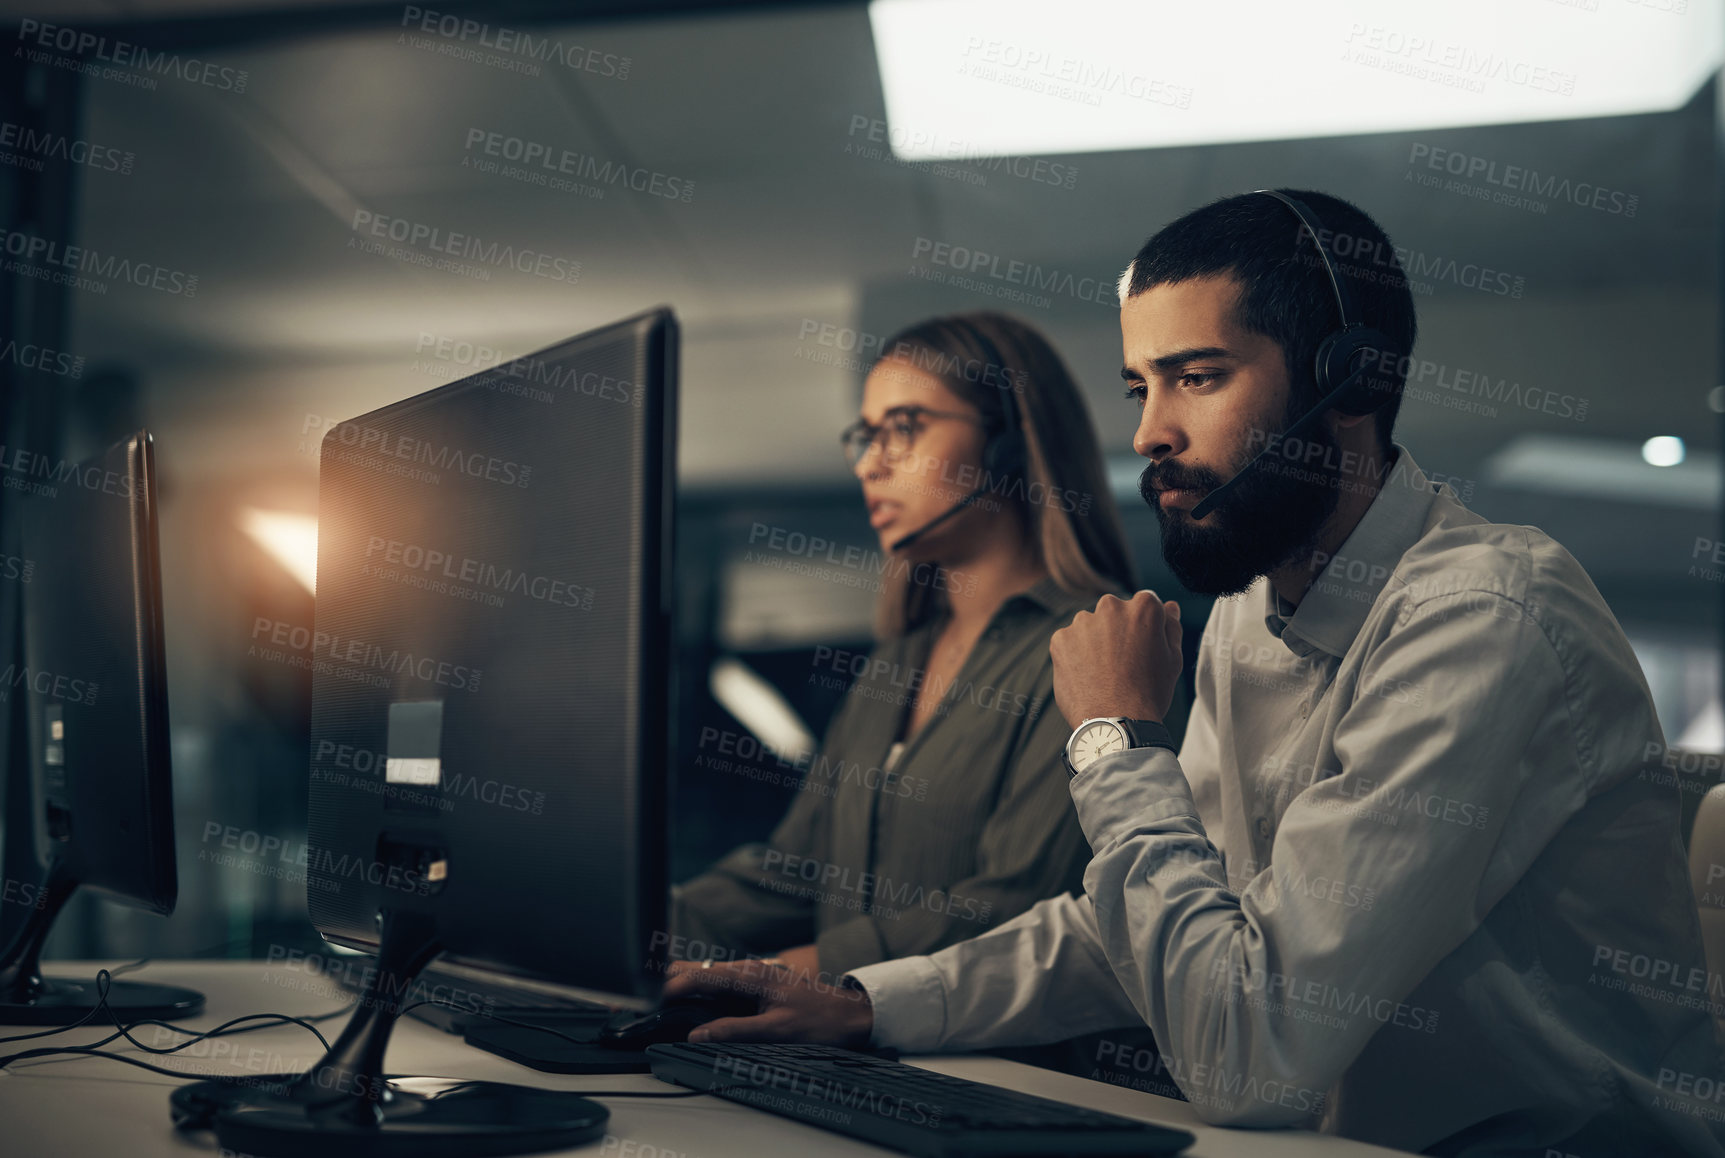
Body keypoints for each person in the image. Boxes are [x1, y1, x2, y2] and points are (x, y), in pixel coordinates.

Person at [667, 192, 1725, 1157]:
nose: (1148, 432)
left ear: (1351, 380)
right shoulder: (1250, 616)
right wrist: (866, 1003)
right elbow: (1126, 927)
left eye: (1198, 377)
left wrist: (1112, 744)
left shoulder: (1484, 613)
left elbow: (1249, 1055)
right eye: (1141, 387)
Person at [672, 312, 1177, 986]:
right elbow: (797, 871)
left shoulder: (1094, 652)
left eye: (904, 429)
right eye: (866, 436)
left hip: (993, 1077)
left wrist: (787, 975)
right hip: (851, 1059)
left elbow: (1016, 905)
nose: (868, 465)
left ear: (1007, 445)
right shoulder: (897, 660)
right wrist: (636, 923)